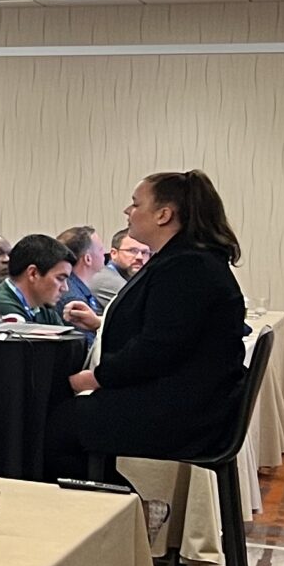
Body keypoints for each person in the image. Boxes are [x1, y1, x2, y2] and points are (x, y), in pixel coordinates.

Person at [66, 169, 252, 467]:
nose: (127, 211)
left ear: (163, 215)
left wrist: (94, 378)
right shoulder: (188, 260)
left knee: (53, 426)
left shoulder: (187, 267)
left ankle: (105, 496)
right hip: (188, 404)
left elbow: (157, 348)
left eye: (136, 203)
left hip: (180, 417)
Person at [0, 233, 97, 330]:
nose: (65, 288)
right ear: (33, 274)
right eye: (60, 278)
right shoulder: (1, 308)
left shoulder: (42, 304)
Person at [57, 225, 109, 313]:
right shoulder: (74, 300)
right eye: (100, 249)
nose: (104, 252)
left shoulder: (76, 288)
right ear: (88, 259)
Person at [89, 229, 149, 305]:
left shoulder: (128, 276)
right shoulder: (106, 279)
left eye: (144, 252)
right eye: (132, 251)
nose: (140, 257)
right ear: (114, 254)